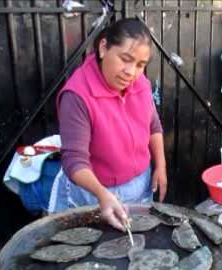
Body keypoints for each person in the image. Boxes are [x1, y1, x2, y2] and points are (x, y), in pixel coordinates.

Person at [49, 18, 167, 231]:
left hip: (140, 185)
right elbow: (74, 162)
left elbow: (154, 126)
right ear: (103, 48)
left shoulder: (141, 84)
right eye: (125, 59)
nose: (131, 72)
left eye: (140, 65)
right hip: (92, 193)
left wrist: (160, 165)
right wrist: (102, 194)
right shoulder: (78, 95)